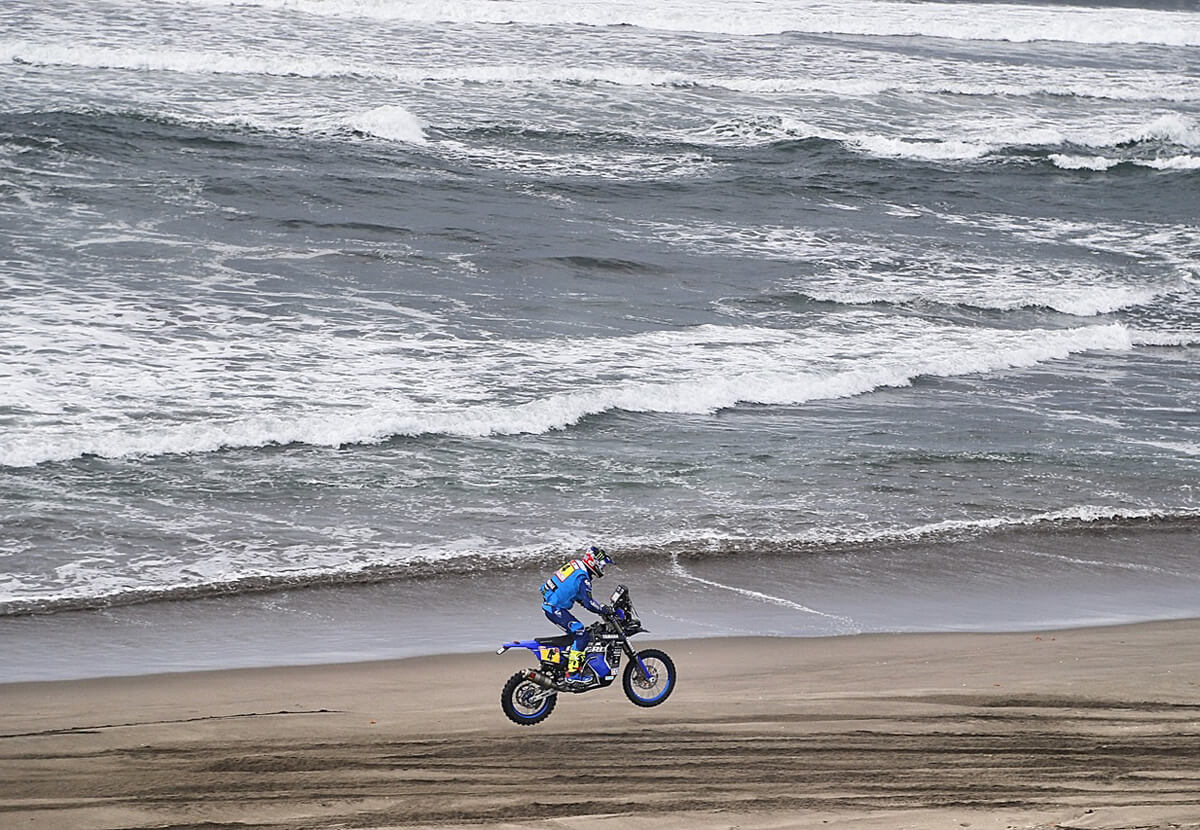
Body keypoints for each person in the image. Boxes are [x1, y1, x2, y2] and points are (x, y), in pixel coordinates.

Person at [540, 545, 613, 685]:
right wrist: (603, 609)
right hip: (554, 608)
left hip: (551, 601)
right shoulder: (583, 578)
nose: (603, 569)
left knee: (577, 632)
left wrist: (590, 604)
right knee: (580, 633)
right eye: (602, 565)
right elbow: (589, 603)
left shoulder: (576, 565)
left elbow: (572, 589)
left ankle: (569, 659)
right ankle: (572, 674)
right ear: (594, 562)